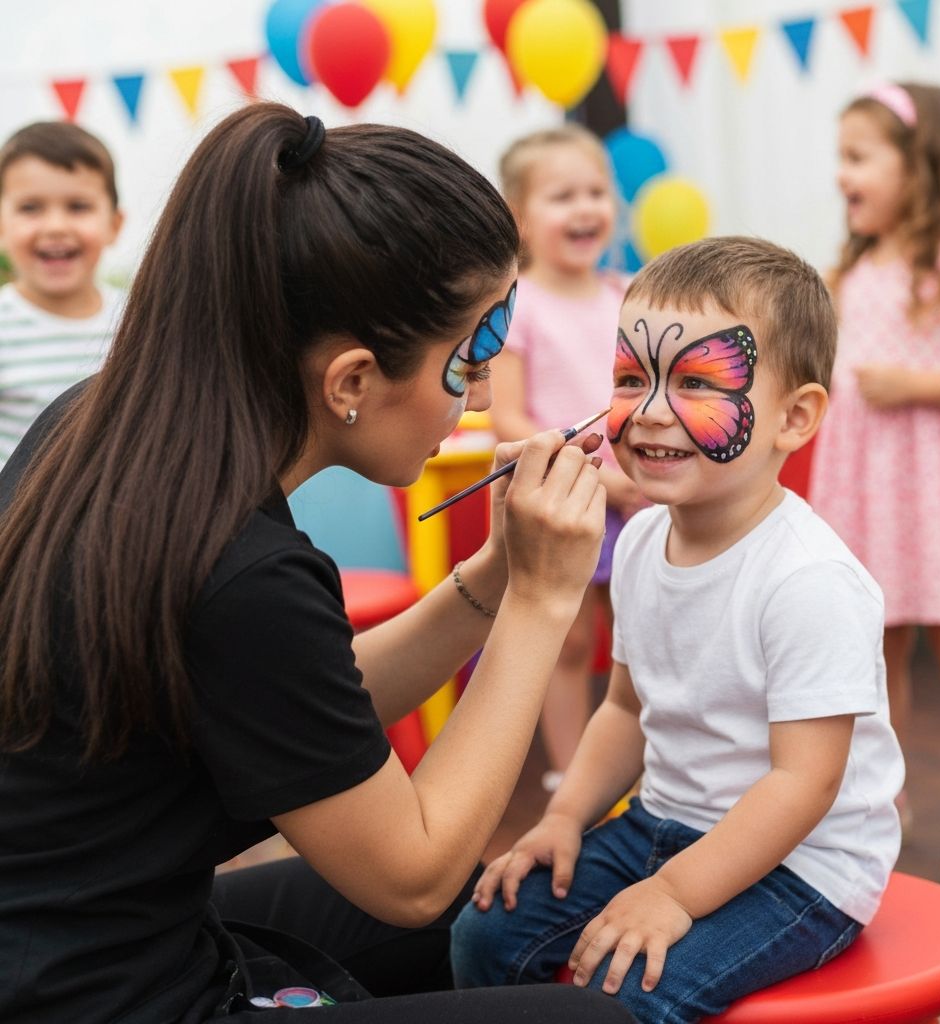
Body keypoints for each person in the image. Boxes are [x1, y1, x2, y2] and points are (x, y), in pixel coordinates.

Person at [0, 103, 640, 1024]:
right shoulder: (243, 569)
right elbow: (412, 875)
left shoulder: (100, 425)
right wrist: (542, 601)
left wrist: (496, 575)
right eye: (469, 359)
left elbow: (307, 703)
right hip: (97, 995)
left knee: (500, 902)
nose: (481, 396)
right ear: (351, 381)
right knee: (590, 1014)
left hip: (77, 930)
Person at [451, 237, 905, 1024]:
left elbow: (804, 785)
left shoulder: (809, 580)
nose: (652, 410)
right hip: (660, 825)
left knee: (625, 995)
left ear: (795, 417)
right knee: (485, 933)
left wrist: (673, 894)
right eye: (632, 378)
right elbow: (627, 708)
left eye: (696, 381)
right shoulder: (636, 541)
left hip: (804, 867)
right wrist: (565, 817)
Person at [808, 82, 940, 885]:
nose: (842, 175)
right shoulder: (853, 270)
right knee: (878, 647)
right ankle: (882, 801)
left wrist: (912, 386)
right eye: (841, 158)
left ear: (919, 164)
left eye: (858, 157)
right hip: (869, 485)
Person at [491, 125, 646, 792]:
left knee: (642, 637)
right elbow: (507, 416)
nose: (585, 208)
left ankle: (640, 766)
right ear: (520, 217)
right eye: (562, 197)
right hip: (568, 492)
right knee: (571, 639)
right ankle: (570, 773)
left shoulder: (628, 293)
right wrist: (598, 476)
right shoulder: (518, 306)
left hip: (639, 494)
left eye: (595, 192)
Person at [0, 121, 124, 466]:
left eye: (78, 206)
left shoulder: (138, 320)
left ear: (114, 224)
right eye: (30, 208)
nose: (55, 226)